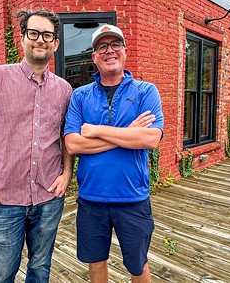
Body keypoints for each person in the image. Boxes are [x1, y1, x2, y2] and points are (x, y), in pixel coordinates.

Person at [0, 9, 73, 282]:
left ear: (55, 44)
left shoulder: (64, 90)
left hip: (48, 197)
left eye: (47, 35)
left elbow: (65, 136)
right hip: (5, 198)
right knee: (2, 274)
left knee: (40, 269)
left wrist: (67, 174)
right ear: (22, 38)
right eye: (33, 33)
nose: (40, 40)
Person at [64, 24, 164, 283]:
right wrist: (127, 133)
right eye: (102, 47)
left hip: (133, 198)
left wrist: (97, 130)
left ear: (125, 51)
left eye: (115, 44)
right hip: (91, 198)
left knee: (137, 265)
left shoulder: (145, 91)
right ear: (94, 56)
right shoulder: (80, 96)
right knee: (96, 262)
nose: (110, 51)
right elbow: (73, 144)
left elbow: (150, 138)